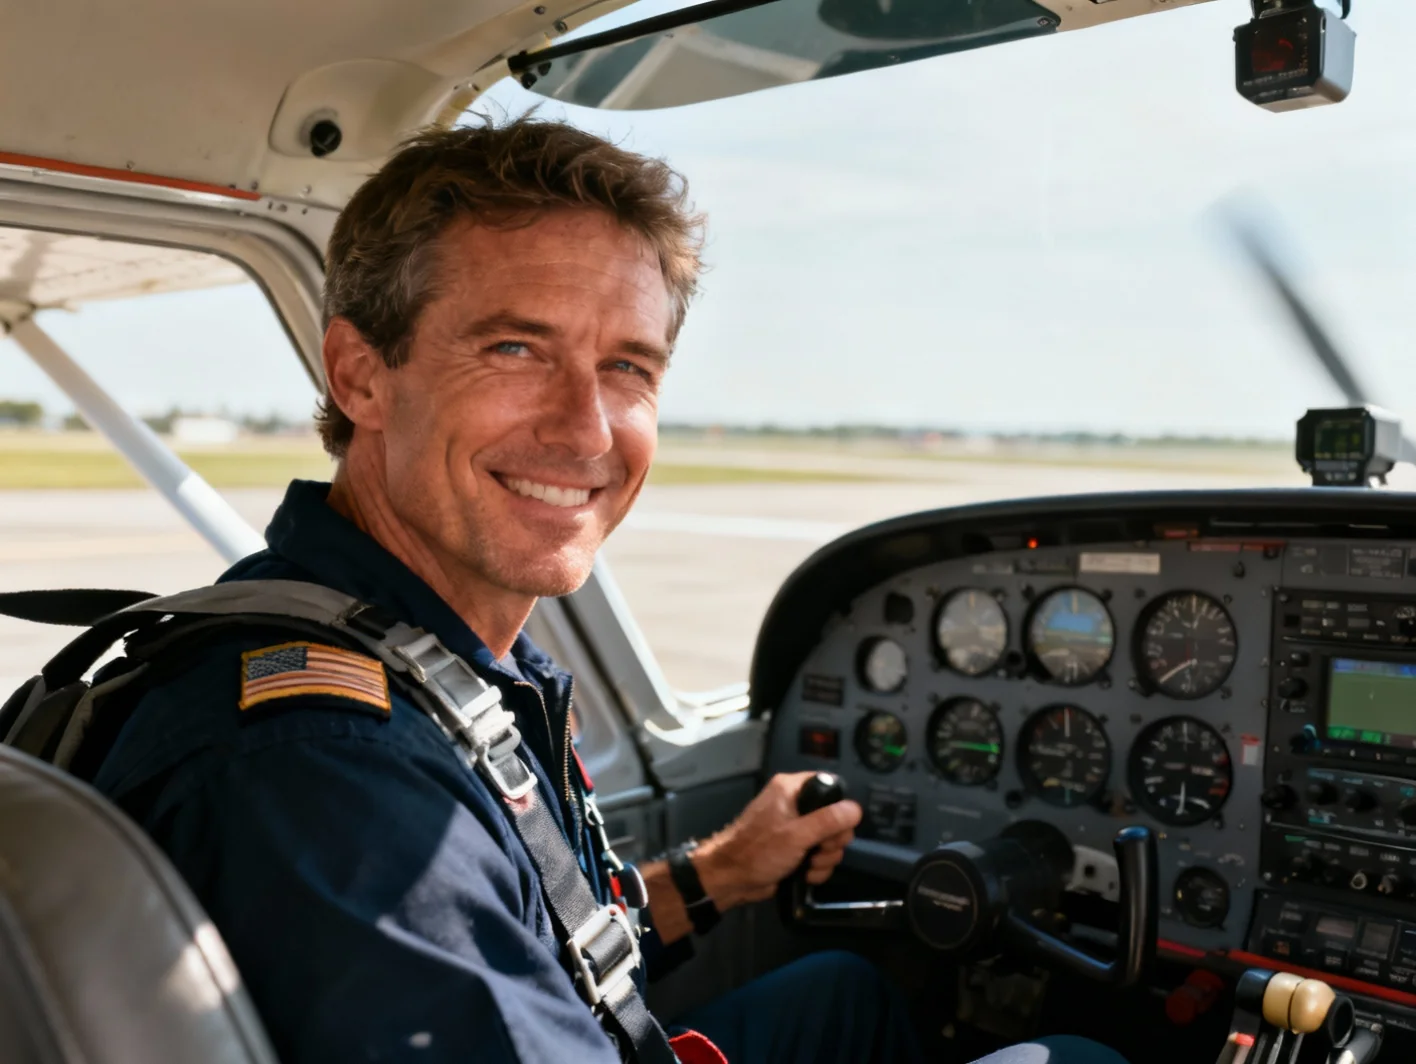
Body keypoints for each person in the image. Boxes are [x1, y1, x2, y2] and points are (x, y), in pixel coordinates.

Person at [92, 115, 1129, 1064]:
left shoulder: (424, 654)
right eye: (515, 347)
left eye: (629, 367)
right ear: (361, 375)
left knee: (843, 991)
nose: (587, 428)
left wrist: (725, 867)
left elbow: (538, 935)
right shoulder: (329, 770)